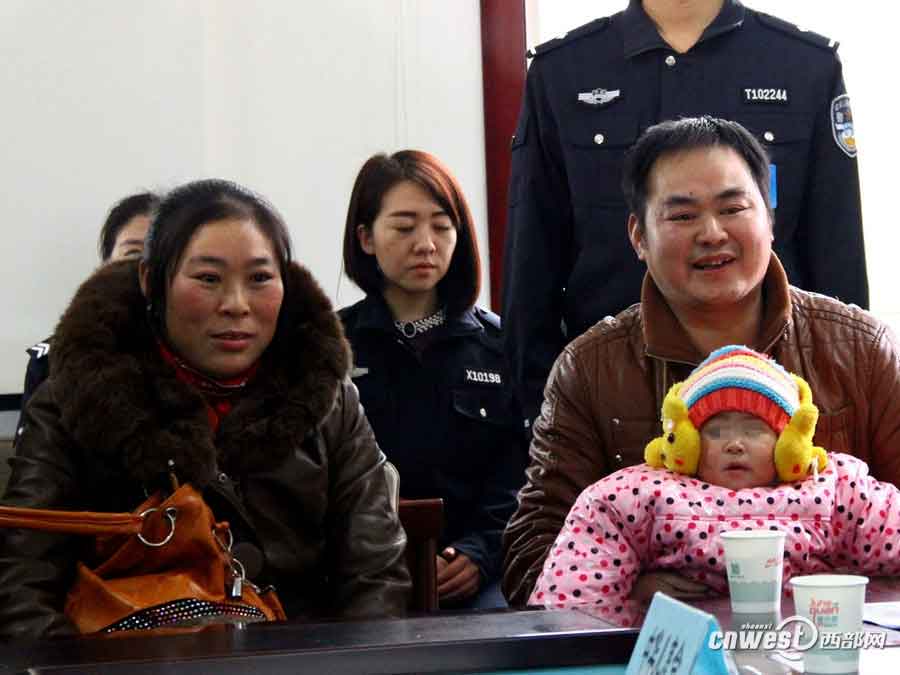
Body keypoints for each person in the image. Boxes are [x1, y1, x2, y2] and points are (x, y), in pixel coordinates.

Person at [501, 116, 900, 608]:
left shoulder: (860, 349)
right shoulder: (589, 369)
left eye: (732, 208)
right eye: (683, 215)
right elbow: (531, 549)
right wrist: (633, 593)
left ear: (770, 219)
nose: (712, 233)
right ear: (639, 237)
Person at [0, 179, 410, 638]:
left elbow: (376, 574)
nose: (236, 305)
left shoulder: (329, 399)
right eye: (208, 279)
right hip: (125, 659)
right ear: (150, 280)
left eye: (260, 278)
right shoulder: (71, 400)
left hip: (299, 654)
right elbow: (23, 589)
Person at [503, 0, 868, 426]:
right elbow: (531, 260)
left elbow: (837, 246)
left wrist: (841, 402)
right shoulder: (563, 72)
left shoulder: (803, 65)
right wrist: (540, 412)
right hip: (613, 398)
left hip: (778, 399)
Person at [529, 346, 900, 627]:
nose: (734, 443)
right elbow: (574, 599)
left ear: (790, 443)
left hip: (808, 641)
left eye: (754, 429)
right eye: (716, 431)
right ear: (685, 444)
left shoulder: (834, 489)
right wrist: (612, 623)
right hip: (681, 644)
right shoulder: (638, 494)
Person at [340, 150, 528, 608]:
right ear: (366, 237)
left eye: (442, 227)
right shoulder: (330, 346)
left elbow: (521, 470)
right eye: (404, 227)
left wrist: (480, 552)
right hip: (356, 573)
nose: (425, 243)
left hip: (475, 574)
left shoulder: (500, 346)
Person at [16, 191, 162, 429]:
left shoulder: (202, 356)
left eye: (160, 256)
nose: (146, 269)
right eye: (133, 253)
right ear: (105, 264)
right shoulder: (51, 359)